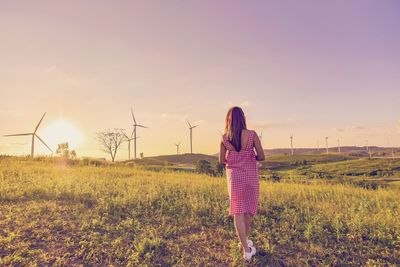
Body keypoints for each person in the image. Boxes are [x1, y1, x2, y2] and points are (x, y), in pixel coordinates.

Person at [219, 106, 265, 261]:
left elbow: (221, 160)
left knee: (238, 211)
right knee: (249, 209)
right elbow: (262, 156)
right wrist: (249, 158)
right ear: (243, 118)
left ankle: (245, 247)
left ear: (228, 120)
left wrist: (234, 160)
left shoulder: (225, 138)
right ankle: (246, 247)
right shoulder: (252, 135)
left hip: (235, 179)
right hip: (250, 177)